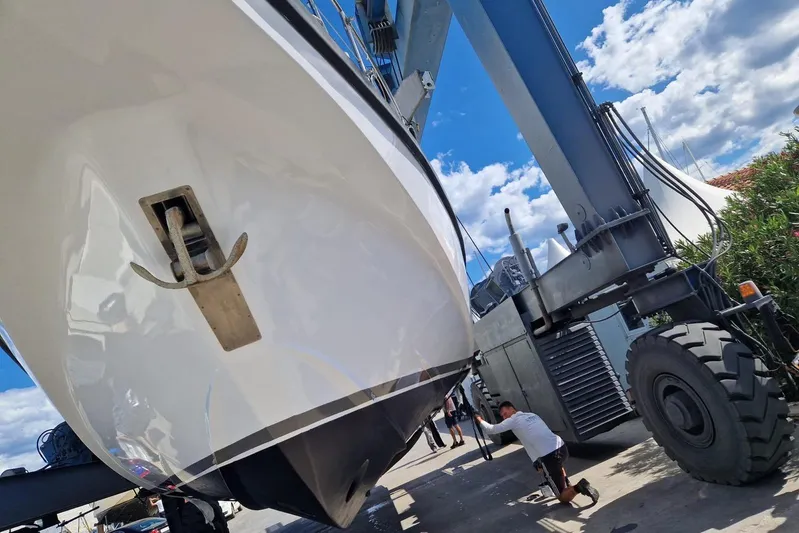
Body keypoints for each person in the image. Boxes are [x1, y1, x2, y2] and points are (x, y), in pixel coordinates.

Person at [475, 401, 599, 505]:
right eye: (502, 416)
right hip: (561, 447)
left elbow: (491, 429)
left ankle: (579, 487)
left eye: (505, 413)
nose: (504, 417)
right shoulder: (532, 415)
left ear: (512, 409)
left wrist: (478, 418)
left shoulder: (513, 420)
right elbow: (532, 441)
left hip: (550, 456)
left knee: (562, 497)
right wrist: (536, 462)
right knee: (557, 467)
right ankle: (566, 484)